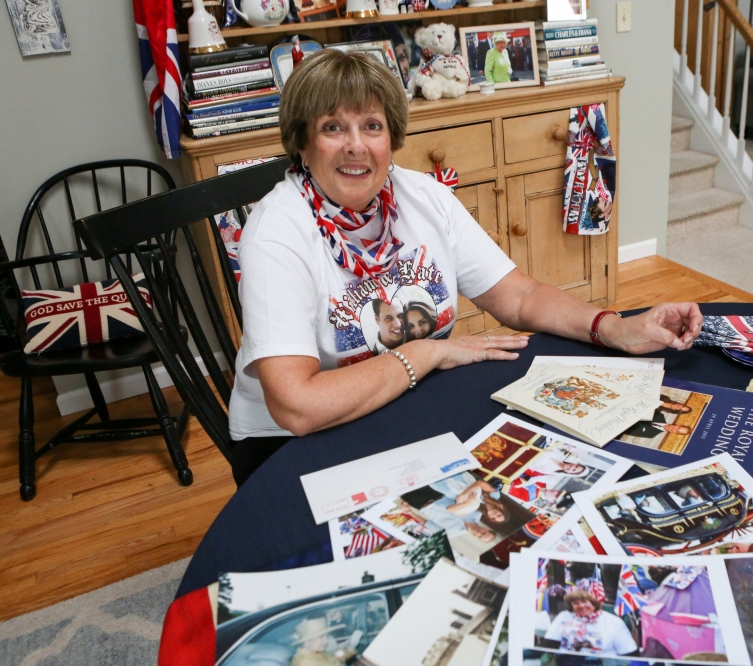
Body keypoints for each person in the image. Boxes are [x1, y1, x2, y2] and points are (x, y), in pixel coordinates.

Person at [228, 50, 703, 485]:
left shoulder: (424, 196)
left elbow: (517, 297)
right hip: (292, 446)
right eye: (332, 127)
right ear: (301, 143)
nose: (356, 146)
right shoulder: (276, 233)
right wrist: (427, 354)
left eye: (372, 126)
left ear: (392, 136)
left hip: (406, 403)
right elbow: (297, 406)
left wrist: (614, 328)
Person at [543, 590, 638, 656]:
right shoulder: (563, 616)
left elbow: (629, 652)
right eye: (576, 603)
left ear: (594, 603)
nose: (581, 605)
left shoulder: (614, 621)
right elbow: (550, 644)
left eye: (584, 601)